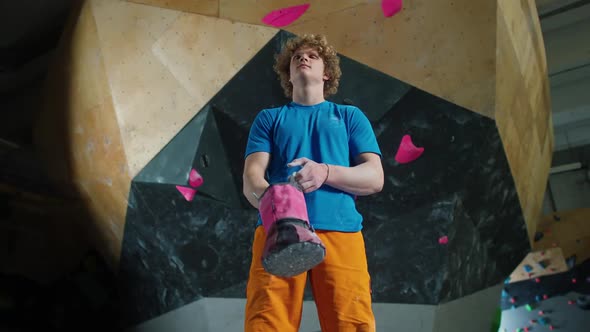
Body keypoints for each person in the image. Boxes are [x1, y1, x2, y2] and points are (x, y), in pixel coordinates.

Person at [242, 33, 384, 332]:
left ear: (327, 73)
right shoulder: (268, 119)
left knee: (351, 325)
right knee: (266, 324)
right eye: (296, 57)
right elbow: (252, 178)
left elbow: (374, 177)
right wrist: (278, 203)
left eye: (312, 56)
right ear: (288, 74)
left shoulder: (350, 117)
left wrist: (325, 172)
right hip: (277, 233)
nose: (302, 59)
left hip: (341, 231)